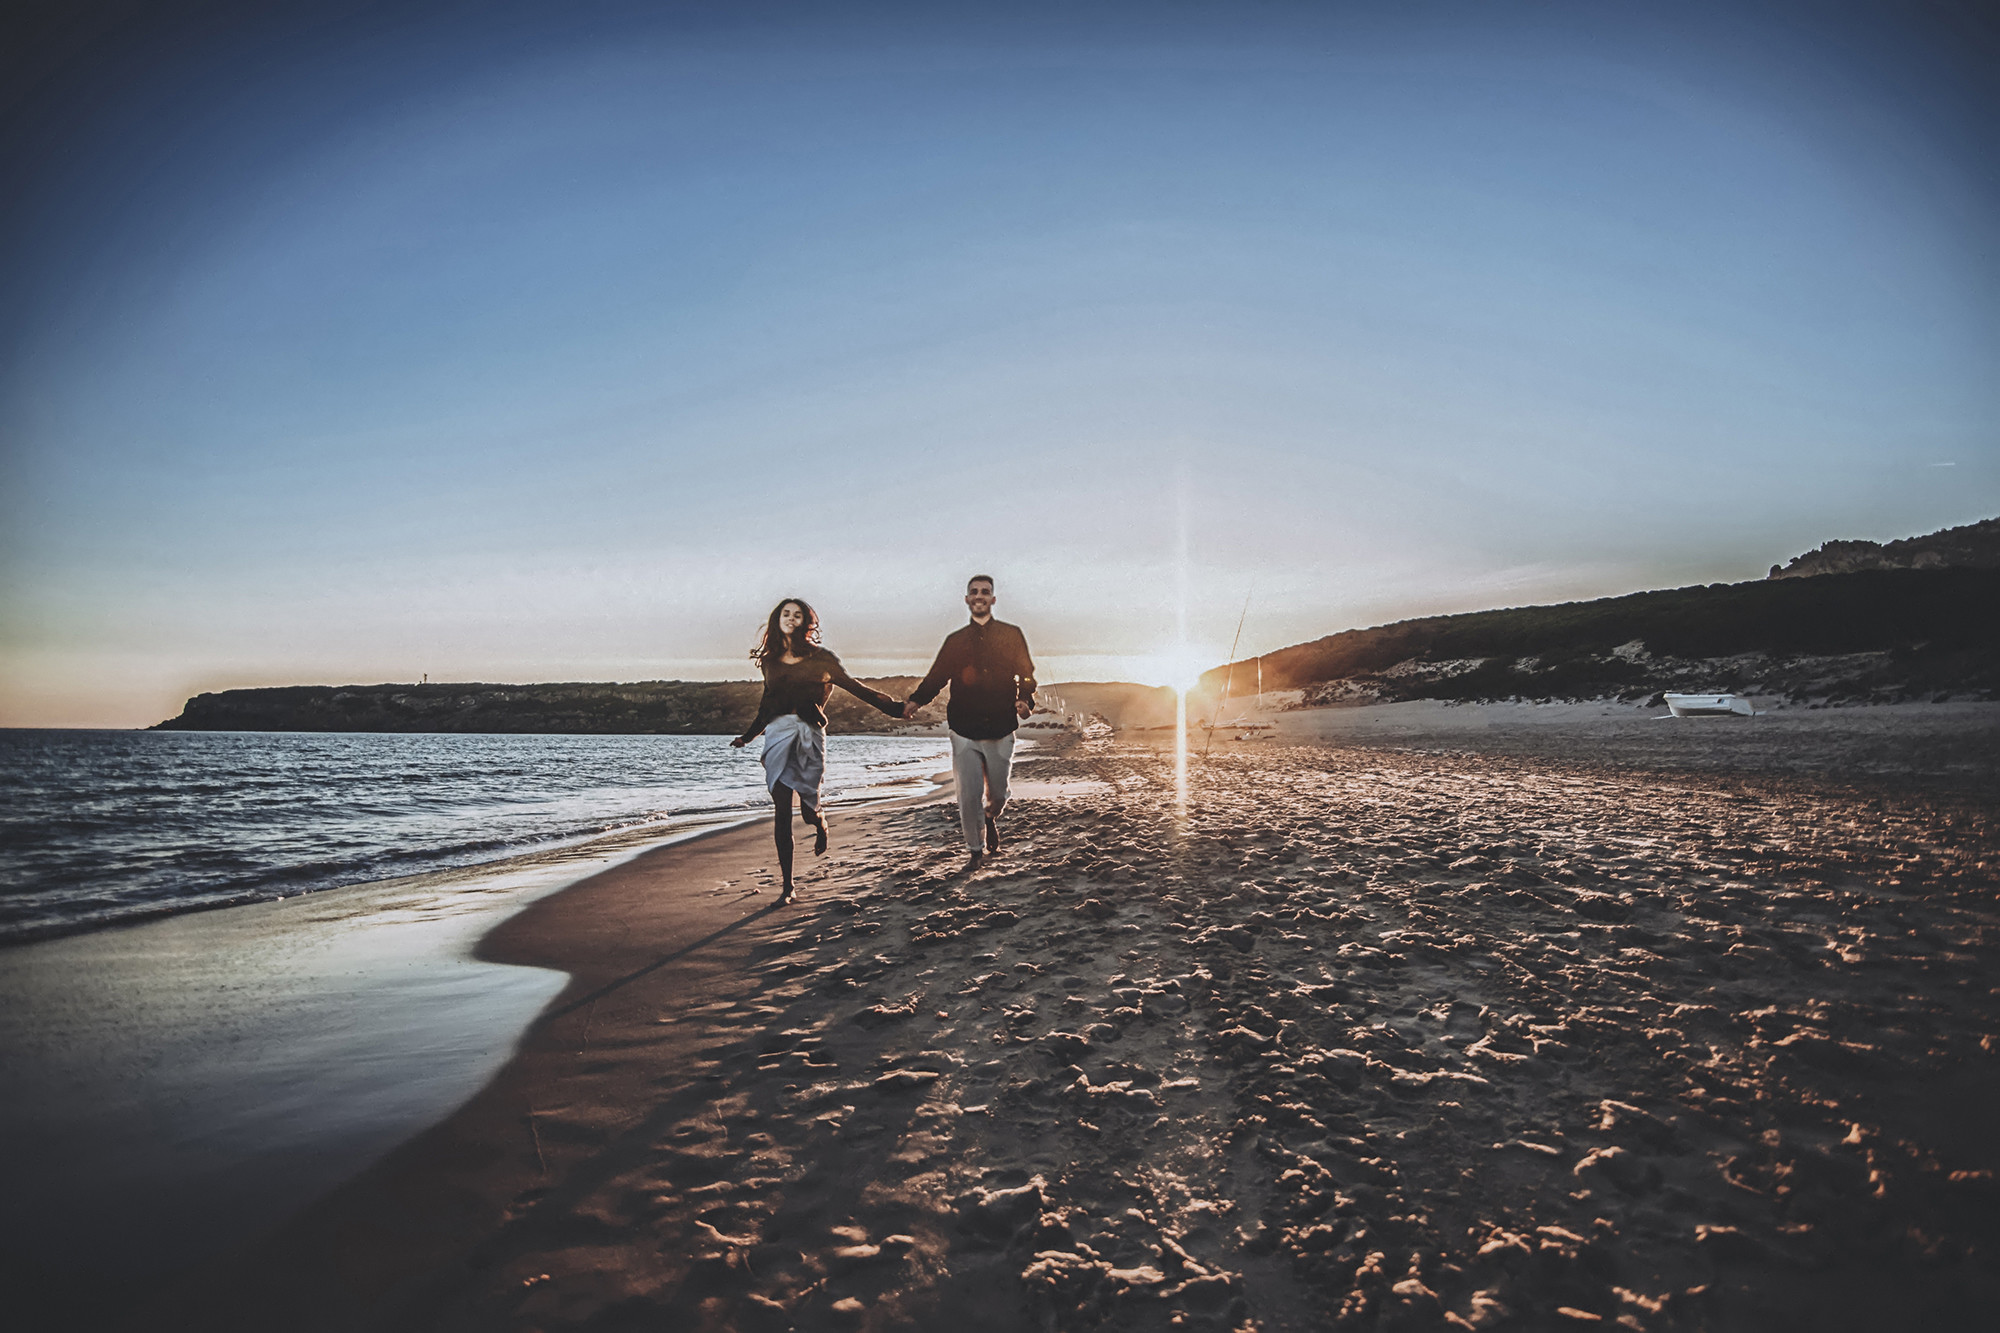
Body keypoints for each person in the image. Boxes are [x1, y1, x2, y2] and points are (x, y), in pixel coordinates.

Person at [732, 598, 903, 904]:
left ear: (806, 622)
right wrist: (748, 737)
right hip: (777, 735)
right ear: (777, 619)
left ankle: (821, 823)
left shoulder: (822, 659)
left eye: (797, 615)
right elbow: (767, 704)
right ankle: (788, 886)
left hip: (809, 735)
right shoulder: (770, 661)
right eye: (785, 614)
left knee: (808, 810)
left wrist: (895, 709)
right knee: (781, 810)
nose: (790, 618)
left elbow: (856, 687)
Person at [903, 574, 1036, 869]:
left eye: (985, 592)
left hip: (1001, 726)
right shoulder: (955, 641)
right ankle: (975, 850)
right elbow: (936, 676)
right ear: (966, 599)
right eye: (974, 592)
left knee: (998, 794)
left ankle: (990, 817)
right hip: (963, 727)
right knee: (968, 794)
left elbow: (1026, 673)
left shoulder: (1011, 634)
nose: (979, 596)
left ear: (993, 599)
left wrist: (1025, 699)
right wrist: (916, 700)